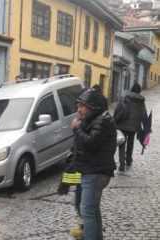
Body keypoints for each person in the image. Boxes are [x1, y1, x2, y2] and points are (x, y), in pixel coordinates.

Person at [71, 88, 117, 240]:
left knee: (87, 211)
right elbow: (81, 145)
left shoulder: (103, 121)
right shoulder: (94, 119)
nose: (79, 109)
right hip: (89, 170)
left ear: (92, 107)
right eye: (78, 106)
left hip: (95, 172)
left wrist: (77, 129)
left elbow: (90, 144)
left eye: (82, 106)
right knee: (92, 210)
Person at [114, 83, 147, 172]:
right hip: (134, 127)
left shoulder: (125, 97)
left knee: (122, 143)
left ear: (131, 89)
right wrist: (145, 127)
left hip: (122, 125)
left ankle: (121, 164)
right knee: (130, 144)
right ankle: (128, 160)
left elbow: (118, 109)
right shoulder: (141, 101)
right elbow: (144, 114)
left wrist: (114, 120)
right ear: (139, 90)